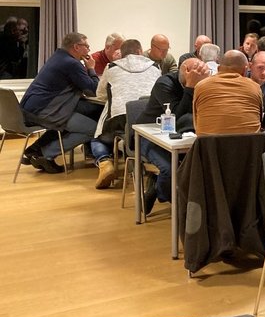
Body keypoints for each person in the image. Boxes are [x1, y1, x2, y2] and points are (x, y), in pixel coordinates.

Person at [137, 58, 210, 214]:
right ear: (186, 73)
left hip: (181, 136)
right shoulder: (164, 83)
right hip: (149, 135)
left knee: (200, 165)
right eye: (198, 78)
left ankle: (159, 187)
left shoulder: (204, 83)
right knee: (170, 170)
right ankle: (171, 200)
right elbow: (176, 116)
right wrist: (190, 87)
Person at [20, 33, 100, 173]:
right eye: (86, 46)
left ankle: (35, 149)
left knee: (86, 113)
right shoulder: (72, 64)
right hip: (45, 110)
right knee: (93, 129)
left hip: (32, 108)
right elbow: (93, 90)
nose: (89, 49)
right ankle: (44, 154)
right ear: (76, 47)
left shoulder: (58, 57)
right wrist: (91, 69)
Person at [90, 39, 161, 189]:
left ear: (121, 53)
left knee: (98, 138)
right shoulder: (155, 67)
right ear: (140, 51)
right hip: (150, 117)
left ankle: (105, 162)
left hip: (122, 117)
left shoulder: (112, 67)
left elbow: (100, 94)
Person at [192, 50, 262, 135]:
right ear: (245, 70)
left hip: (209, 143)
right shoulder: (255, 87)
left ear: (218, 69)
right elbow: (259, 120)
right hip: (249, 142)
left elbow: (196, 124)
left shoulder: (201, 86)